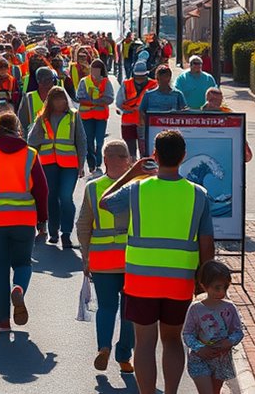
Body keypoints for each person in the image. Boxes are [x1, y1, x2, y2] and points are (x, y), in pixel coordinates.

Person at [100, 130, 215, 394]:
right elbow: (207, 243)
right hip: (180, 281)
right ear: (183, 156)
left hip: (141, 281)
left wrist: (131, 172)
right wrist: (204, 281)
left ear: (154, 155)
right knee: (173, 341)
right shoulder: (198, 194)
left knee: (144, 342)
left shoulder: (137, 188)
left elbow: (105, 202)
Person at [0, 113, 49, 332]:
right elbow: (42, 191)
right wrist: (42, 218)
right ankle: (19, 289)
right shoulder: (30, 155)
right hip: (24, 219)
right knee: (23, 264)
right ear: (18, 130)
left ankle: (4, 322)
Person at [76, 140, 135, 374]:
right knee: (130, 310)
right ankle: (124, 356)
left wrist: (85, 255)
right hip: (132, 259)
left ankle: (103, 347)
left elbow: (83, 225)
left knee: (107, 307)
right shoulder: (138, 186)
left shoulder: (93, 187)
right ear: (125, 160)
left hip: (101, 259)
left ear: (104, 158)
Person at [27, 86, 86, 248]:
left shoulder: (73, 116)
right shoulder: (42, 117)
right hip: (47, 164)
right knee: (51, 197)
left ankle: (66, 233)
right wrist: (30, 163)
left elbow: (81, 140)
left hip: (69, 164)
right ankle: (53, 232)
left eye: (62, 99)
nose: (60, 102)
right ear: (50, 101)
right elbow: (32, 141)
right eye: (56, 99)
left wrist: (81, 164)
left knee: (66, 197)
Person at [183, 261, 244, 394]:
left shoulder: (230, 308)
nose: (221, 292)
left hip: (221, 360)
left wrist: (229, 341)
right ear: (204, 286)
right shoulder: (196, 309)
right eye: (217, 288)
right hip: (199, 359)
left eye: (225, 287)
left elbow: (238, 331)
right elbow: (187, 334)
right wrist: (200, 348)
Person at [77, 59, 115, 175]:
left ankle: (98, 162)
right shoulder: (84, 81)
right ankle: (91, 164)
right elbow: (80, 97)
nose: (94, 71)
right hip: (86, 116)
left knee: (99, 141)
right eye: (93, 69)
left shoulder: (106, 82)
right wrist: (98, 101)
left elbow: (109, 98)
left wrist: (93, 102)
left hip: (100, 117)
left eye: (97, 69)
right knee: (88, 141)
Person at [116, 61, 157, 161]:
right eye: (137, 77)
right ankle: (132, 168)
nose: (139, 79)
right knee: (130, 151)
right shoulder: (126, 84)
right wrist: (130, 109)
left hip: (144, 122)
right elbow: (119, 103)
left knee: (145, 150)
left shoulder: (153, 84)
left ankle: (144, 170)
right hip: (128, 121)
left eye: (142, 77)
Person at [201, 88, 253, 163]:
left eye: (219, 101)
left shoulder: (231, 117)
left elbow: (247, 156)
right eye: (213, 100)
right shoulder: (196, 118)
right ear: (207, 100)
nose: (216, 104)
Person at [138, 65, 187, 131]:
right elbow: (141, 112)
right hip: (152, 129)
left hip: (172, 130)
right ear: (157, 79)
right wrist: (145, 126)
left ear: (170, 78)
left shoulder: (178, 94)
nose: (163, 81)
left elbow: (184, 112)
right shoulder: (148, 95)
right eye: (160, 79)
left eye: (166, 78)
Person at [17, 66, 55, 132]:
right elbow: (22, 122)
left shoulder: (57, 96)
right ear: (39, 82)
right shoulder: (29, 98)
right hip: (34, 139)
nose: (51, 84)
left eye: (51, 80)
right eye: (47, 81)